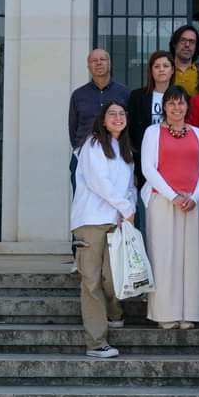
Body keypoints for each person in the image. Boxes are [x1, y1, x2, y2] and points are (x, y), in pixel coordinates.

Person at [69, 100, 136, 359]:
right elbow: (100, 183)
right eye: (112, 114)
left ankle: (115, 312)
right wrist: (126, 208)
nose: (118, 117)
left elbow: (130, 186)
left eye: (121, 113)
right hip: (91, 222)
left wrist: (128, 210)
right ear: (103, 119)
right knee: (92, 281)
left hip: (117, 222)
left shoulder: (125, 149)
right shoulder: (93, 144)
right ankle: (96, 343)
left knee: (113, 277)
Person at [140, 86, 199, 330]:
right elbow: (148, 168)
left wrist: (196, 196)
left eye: (181, 103)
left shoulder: (198, 134)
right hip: (163, 201)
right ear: (164, 107)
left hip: (193, 202)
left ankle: (189, 312)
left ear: (187, 106)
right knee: (164, 256)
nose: (176, 108)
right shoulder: (152, 132)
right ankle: (164, 313)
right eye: (171, 103)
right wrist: (173, 197)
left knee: (192, 257)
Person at [68, 48, 131, 192]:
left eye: (102, 59)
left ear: (110, 63)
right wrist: (81, 148)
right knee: (84, 201)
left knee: (118, 199)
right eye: (93, 60)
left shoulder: (124, 93)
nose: (98, 63)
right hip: (84, 157)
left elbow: (129, 125)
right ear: (88, 66)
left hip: (117, 155)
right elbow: (73, 127)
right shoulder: (78, 95)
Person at [128, 51, 176, 185]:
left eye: (165, 66)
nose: (161, 69)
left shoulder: (182, 96)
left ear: (172, 70)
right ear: (151, 70)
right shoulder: (137, 96)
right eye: (157, 66)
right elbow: (131, 132)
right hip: (145, 158)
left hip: (173, 157)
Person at [169, 25, 199, 95]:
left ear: (196, 47)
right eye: (183, 40)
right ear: (174, 44)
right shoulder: (165, 71)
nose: (187, 45)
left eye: (192, 42)